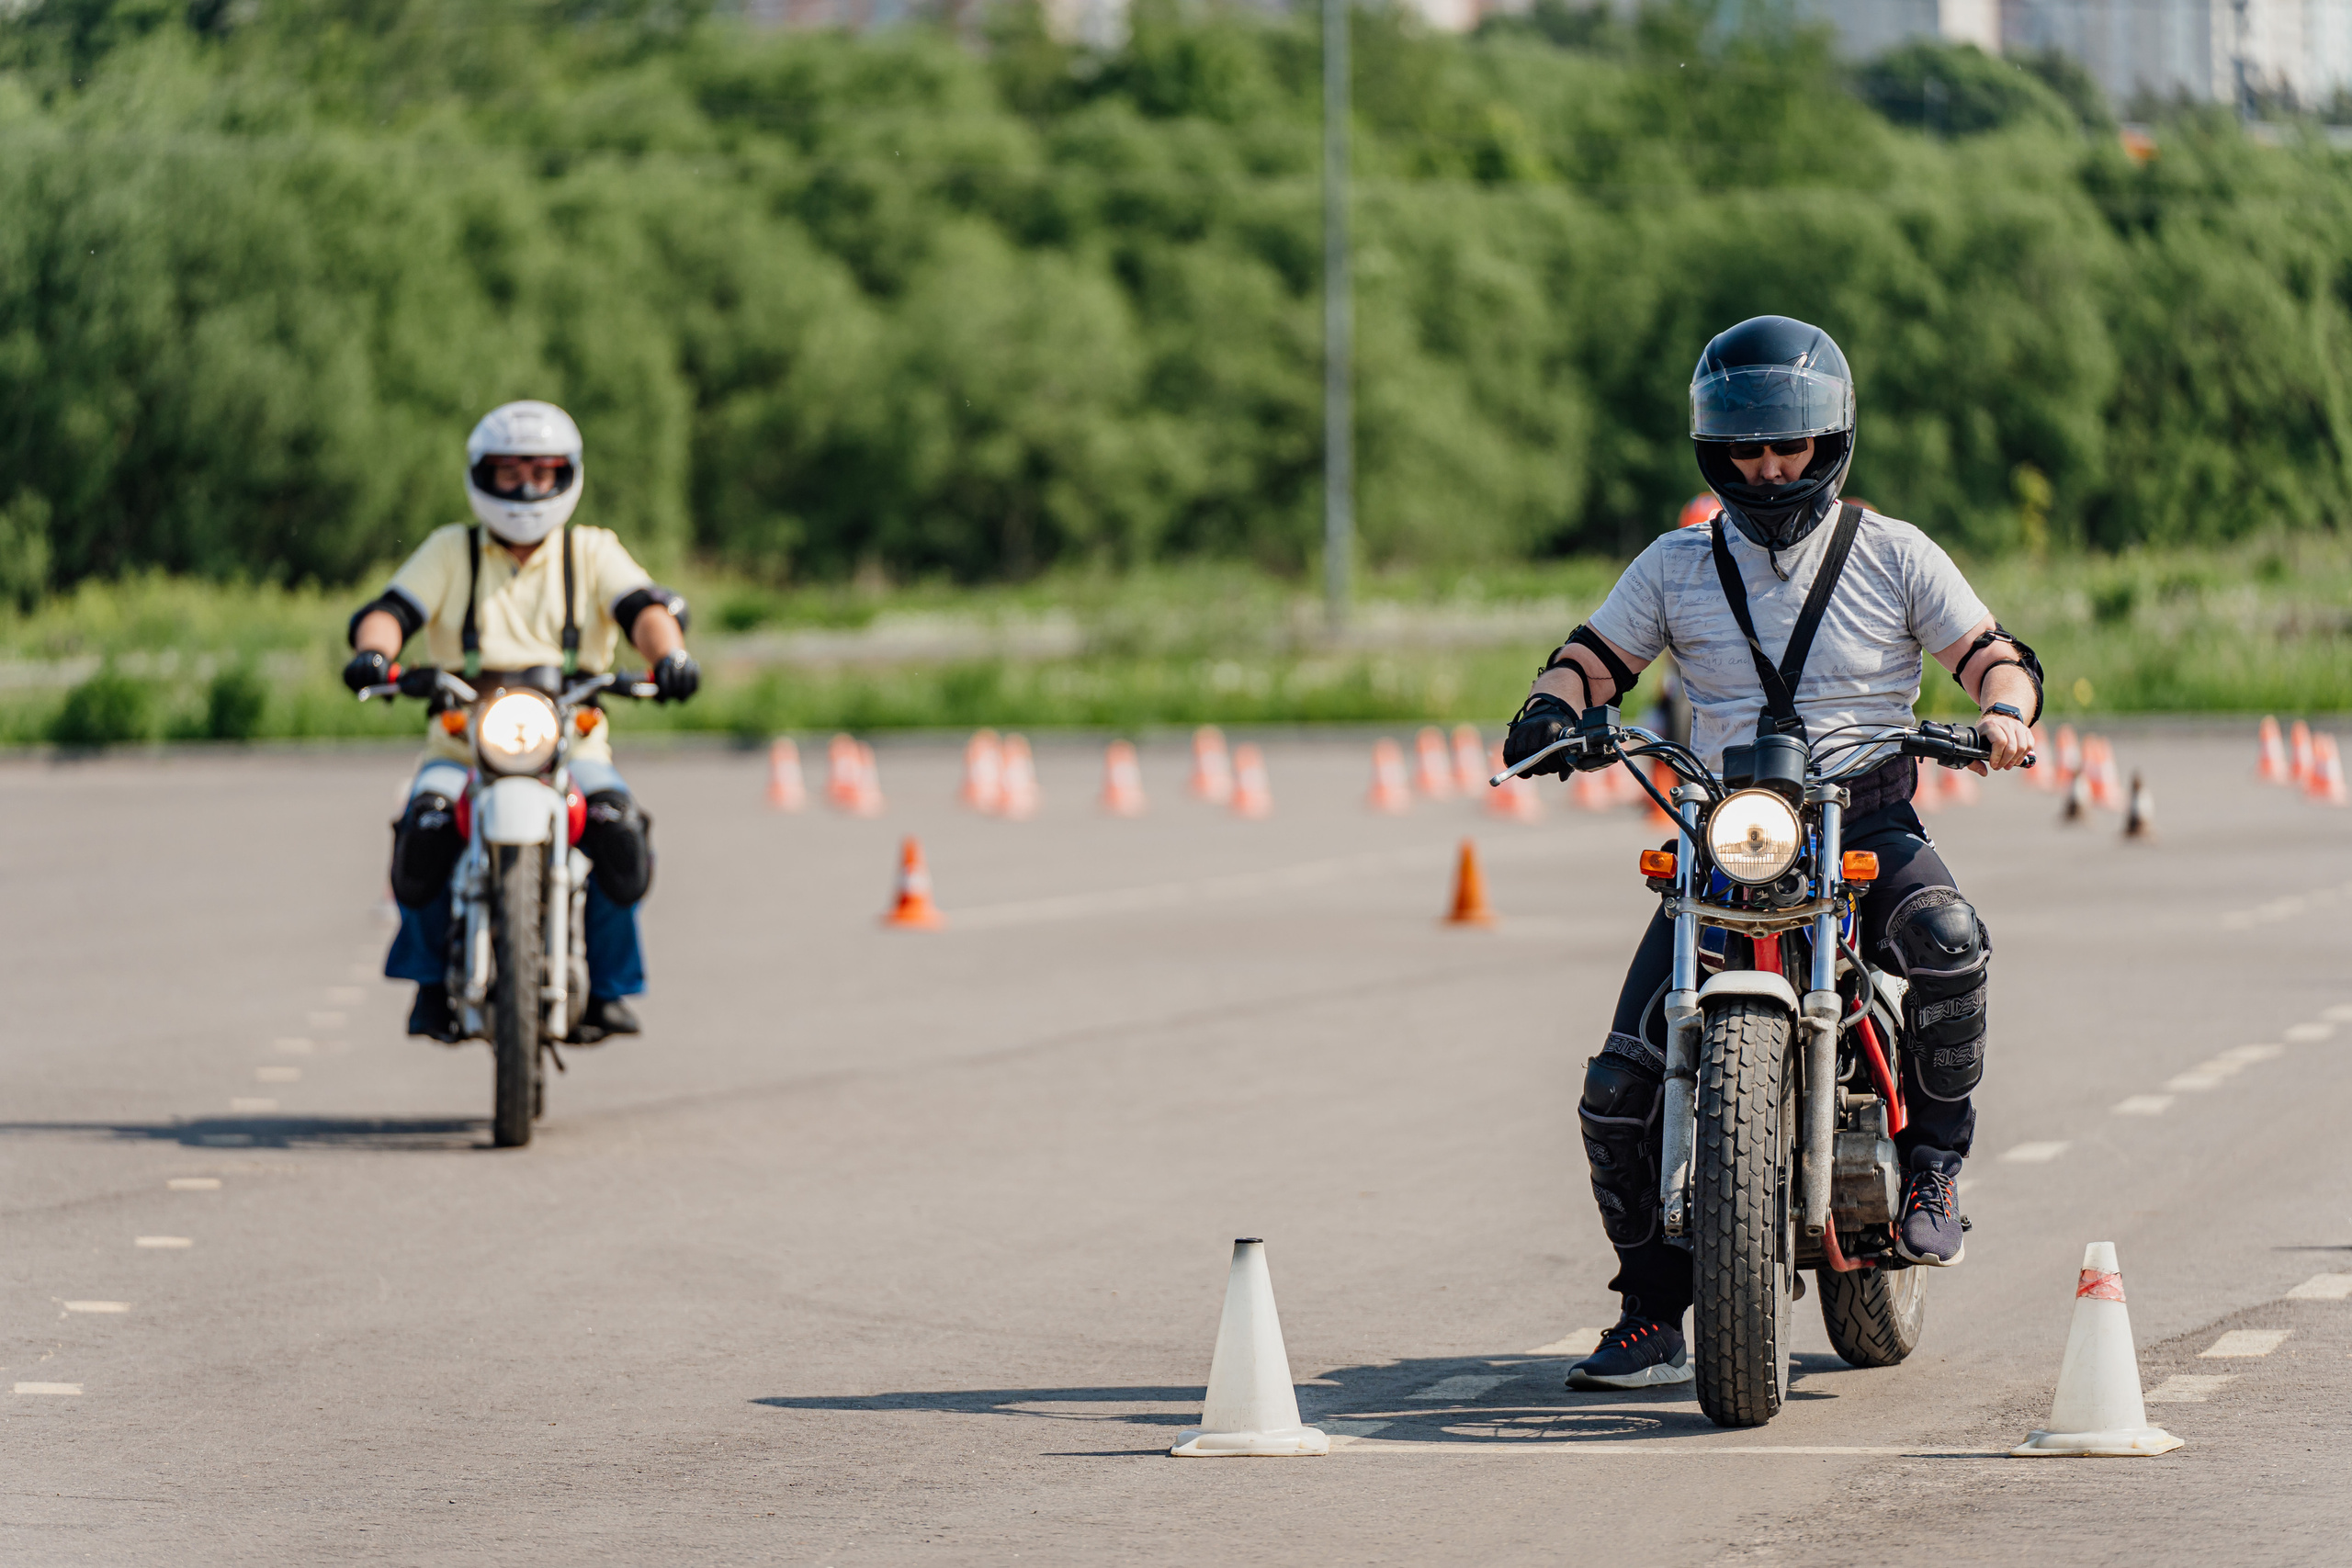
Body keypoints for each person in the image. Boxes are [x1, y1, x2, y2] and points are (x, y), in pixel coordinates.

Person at [1501, 316, 2042, 1391]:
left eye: (1787, 445)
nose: (1767, 468)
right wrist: (1550, 711)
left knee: (1949, 942)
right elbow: (1591, 657)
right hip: (1726, 831)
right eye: (1745, 449)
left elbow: (1993, 655)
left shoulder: (1895, 553)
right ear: (1715, 449)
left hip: (1865, 819)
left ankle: (1932, 1172)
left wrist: (2004, 715)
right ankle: (1649, 1310)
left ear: (1827, 440)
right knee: (1616, 1087)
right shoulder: (1674, 564)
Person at [341, 400, 701, 1045]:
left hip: (573, 746)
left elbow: (644, 608)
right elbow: (391, 611)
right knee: (424, 828)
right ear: (483, 475)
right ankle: (429, 980)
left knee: (618, 829)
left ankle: (610, 986)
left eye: (542, 471)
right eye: (510, 472)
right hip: (461, 747)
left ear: (567, 475)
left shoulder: (592, 551)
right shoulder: (451, 550)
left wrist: (669, 656)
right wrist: (375, 652)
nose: (527, 488)